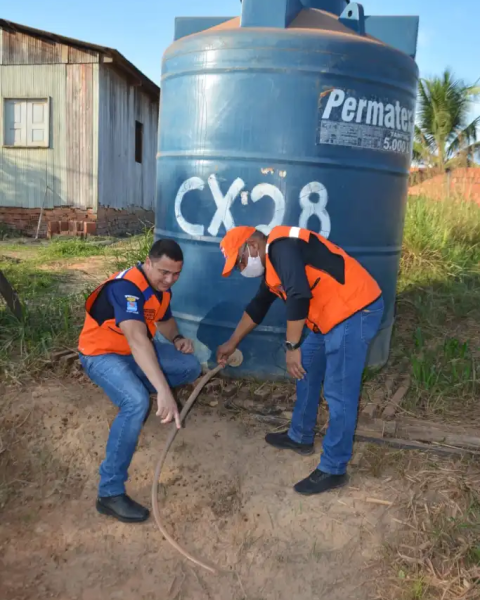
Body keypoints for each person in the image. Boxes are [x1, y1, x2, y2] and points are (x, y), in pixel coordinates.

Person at [217, 225, 384, 496]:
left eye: (240, 261)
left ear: (252, 245)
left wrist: (292, 345)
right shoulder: (273, 266)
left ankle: (334, 467)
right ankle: (301, 436)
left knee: (339, 392)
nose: (241, 268)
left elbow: (298, 294)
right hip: (330, 315)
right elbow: (257, 307)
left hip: (355, 309)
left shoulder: (282, 246)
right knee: (304, 366)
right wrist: (231, 343)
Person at [78, 239, 201, 523]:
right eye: (164, 272)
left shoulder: (161, 290)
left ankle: (135, 381)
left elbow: (165, 321)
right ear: (148, 262)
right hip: (102, 354)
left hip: (132, 354)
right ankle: (109, 493)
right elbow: (136, 339)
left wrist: (178, 338)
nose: (169, 280)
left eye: (176, 274)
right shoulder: (126, 288)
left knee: (189, 366)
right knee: (136, 402)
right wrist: (163, 391)